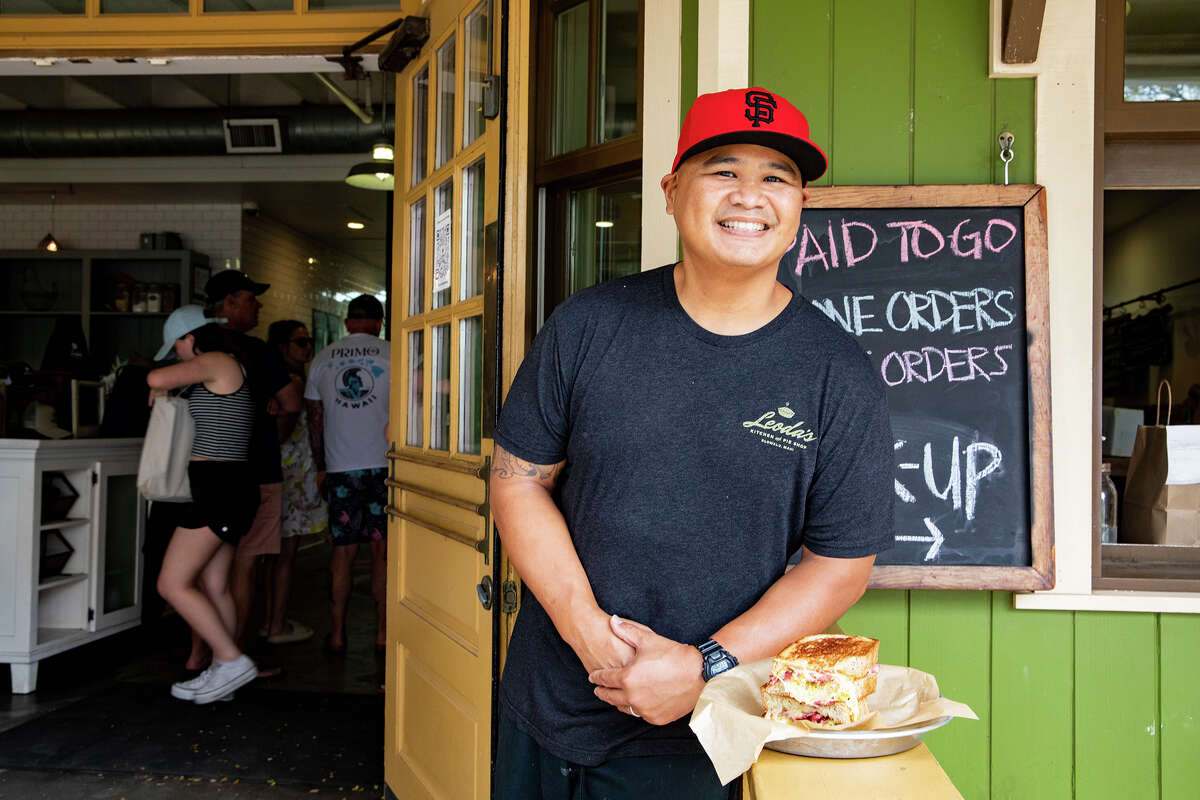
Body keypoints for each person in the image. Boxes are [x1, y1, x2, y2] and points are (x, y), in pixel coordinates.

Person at [490, 87, 896, 799]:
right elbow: (518, 479)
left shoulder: (838, 371)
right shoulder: (588, 326)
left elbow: (840, 564)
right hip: (546, 704)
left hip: (704, 729)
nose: (750, 195)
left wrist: (704, 665)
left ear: (800, 210)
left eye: (777, 177)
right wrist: (591, 639)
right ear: (672, 192)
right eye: (722, 170)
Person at [147, 305, 261, 703]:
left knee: (172, 583)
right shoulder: (226, 367)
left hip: (219, 487)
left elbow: (155, 376)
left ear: (191, 338)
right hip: (228, 486)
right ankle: (222, 676)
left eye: (176, 345)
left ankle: (230, 661)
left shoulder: (215, 361)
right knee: (215, 586)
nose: (175, 353)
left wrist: (161, 385)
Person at [193, 269, 299, 675]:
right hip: (257, 470)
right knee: (244, 566)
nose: (258, 305)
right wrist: (274, 429)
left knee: (203, 568)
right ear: (230, 301)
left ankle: (200, 653)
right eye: (251, 298)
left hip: (206, 471)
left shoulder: (195, 344)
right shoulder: (257, 351)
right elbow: (290, 402)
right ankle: (234, 655)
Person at [304, 295, 391, 655]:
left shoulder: (322, 359)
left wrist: (321, 465)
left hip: (341, 468)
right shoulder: (392, 354)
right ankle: (383, 633)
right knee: (382, 553)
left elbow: (315, 419)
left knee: (343, 553)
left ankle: (338, 634)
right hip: (385, 466)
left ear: (346, 322)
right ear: (380, 323)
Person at [261, 320, 325, 644]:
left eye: (309, 340)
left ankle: (269, 620)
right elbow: (283, 432)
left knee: (270, 555)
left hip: (276, 473)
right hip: (292, 476)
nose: (308, 348)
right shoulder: (295, 382)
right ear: (283, 347)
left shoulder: (269, 381)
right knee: (285, 555)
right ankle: (277, 624)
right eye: (301, 342)